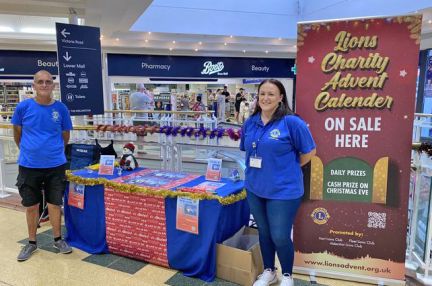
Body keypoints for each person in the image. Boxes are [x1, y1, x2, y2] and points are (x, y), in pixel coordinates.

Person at [240, 79, 316, 286]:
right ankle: (269, 271)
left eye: (271, 94)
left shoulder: (292, 122)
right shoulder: (250, 122)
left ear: (281, 97)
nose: (265, 98)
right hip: (255, 187)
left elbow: (309, 151)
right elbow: (247, 149)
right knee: (263, 232)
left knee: (280, 235)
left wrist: (289, 168)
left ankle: (287, 275)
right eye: (262, 93)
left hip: (284, 190)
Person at [12, 70, 73, 261]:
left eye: (48, 82)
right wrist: (29, 150)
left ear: (53, 86)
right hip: (29, 165)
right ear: (34, 86)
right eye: (40, 82)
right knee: (31, 205)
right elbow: (17, 133)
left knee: (55, 203)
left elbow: (65, 135)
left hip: (56, 164)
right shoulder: (23, 107)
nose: (44, 85)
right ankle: (31, 243)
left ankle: (57, 239)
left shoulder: (61, 109)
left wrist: (54, 151)